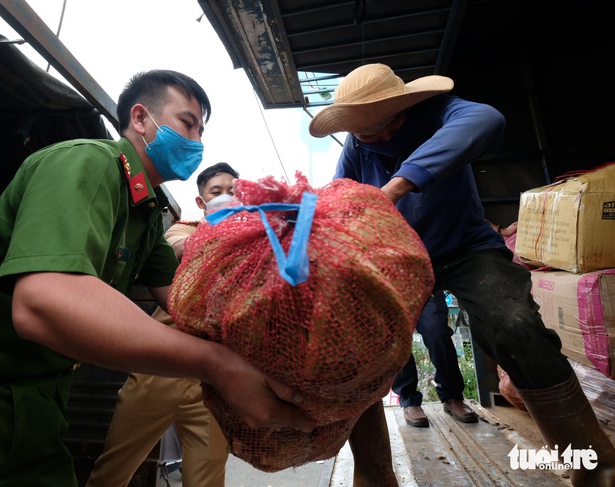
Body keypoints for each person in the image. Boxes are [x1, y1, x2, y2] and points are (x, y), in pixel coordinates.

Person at [0, 70, 315, 486]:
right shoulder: (88, 162)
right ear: (141, 118)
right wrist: (217, 363)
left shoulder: (146, 216)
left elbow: (189, 305)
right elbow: (41, 303)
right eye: (188, 124)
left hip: (42, 408)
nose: (197, 141)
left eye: (202, 131)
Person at [308, 63, 615, 486]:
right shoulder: (357, 148)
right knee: (356, 345)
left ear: (403, 107)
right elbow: (338, 198)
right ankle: (375, 473)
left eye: (384, 127)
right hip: (397, 259)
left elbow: (487, 120)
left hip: (465, 250)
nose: (375, 140)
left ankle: (593, 463)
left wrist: (397, 185)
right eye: (363, 133)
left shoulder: (441, 112)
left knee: (515, 326)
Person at [86, 162, 239, 487]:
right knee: (113, 471)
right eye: (217, 192)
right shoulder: (184, 229)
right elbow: (176, 250)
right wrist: (222, 229)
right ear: (201, 202)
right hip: (158, 371)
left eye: (233, 192)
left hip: (210, 382)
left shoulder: (255, 242)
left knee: (208, 478)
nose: (226, 197)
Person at [392, 290, 477, 428]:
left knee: (437, 330)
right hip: (389, 283)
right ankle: (409, 400)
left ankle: (452, 396)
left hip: (426, 284)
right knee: (397, 335)